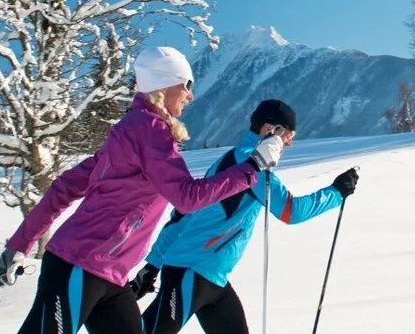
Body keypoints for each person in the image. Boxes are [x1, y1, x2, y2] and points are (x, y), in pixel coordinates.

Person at [0, 46, 287, 334]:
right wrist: (253, 166)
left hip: (110, 277)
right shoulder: (149, 131)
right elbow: (188, 197)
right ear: (165, 85)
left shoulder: (131, 131)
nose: (190, 94)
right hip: (79, 264)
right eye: (186, 85)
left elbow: (63, 187)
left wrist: (19, 245)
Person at [132, 99, 360, 334]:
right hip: (189, 271)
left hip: (212, 279)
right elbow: (291, 211)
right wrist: (336, 193)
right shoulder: (251, 165)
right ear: (269, 130)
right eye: (288, 135)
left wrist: (153, 265)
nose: (290, 143)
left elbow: (183, 215)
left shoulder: (231, 159)